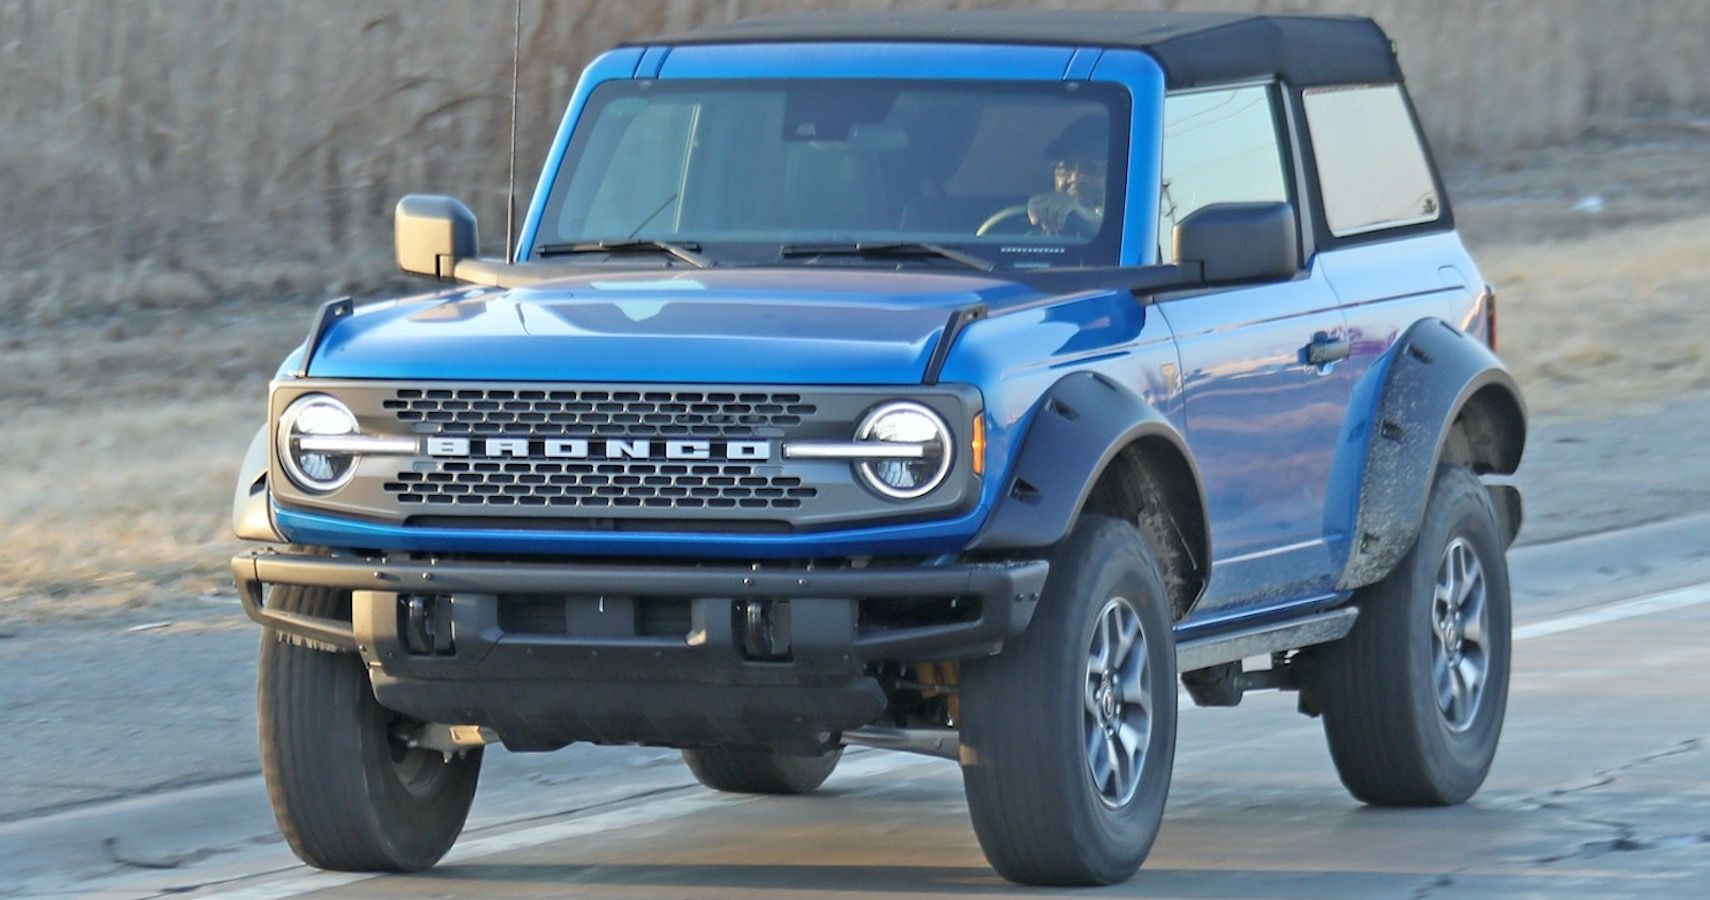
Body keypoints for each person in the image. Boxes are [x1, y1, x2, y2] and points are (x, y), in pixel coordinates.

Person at [1027, 114, 1109, 235]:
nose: (1075, 178)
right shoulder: (1033, 237)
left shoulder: (1137, 226)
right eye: (1065, 167)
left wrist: (1090, 220)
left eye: (1093, 168)